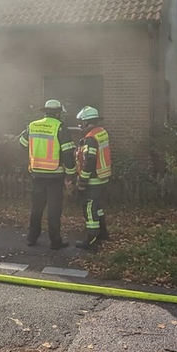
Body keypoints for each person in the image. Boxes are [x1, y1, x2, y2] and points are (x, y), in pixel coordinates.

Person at [19, 99, 76, 250]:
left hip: (36, 174)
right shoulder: (60, 128)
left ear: (45, 112)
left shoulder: (32, 126)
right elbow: (68, 153)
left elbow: (22, 144)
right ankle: (55, 242)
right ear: (58, 113)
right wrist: (71, 175)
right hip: (55, 176)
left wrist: (32, 159)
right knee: (54, 209)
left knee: (36, 208)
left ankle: (31, 238)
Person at [74, 106, 112, 251]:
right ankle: (103, 233)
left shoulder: (90, 138)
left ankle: (91, 239)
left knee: (89, 208)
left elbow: (89, 160)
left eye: (81, 123)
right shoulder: (101, 132)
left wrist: (82, 181)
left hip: (93, 179)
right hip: (102, 176)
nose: (80, 126)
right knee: (98, 207)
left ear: (85, 122)